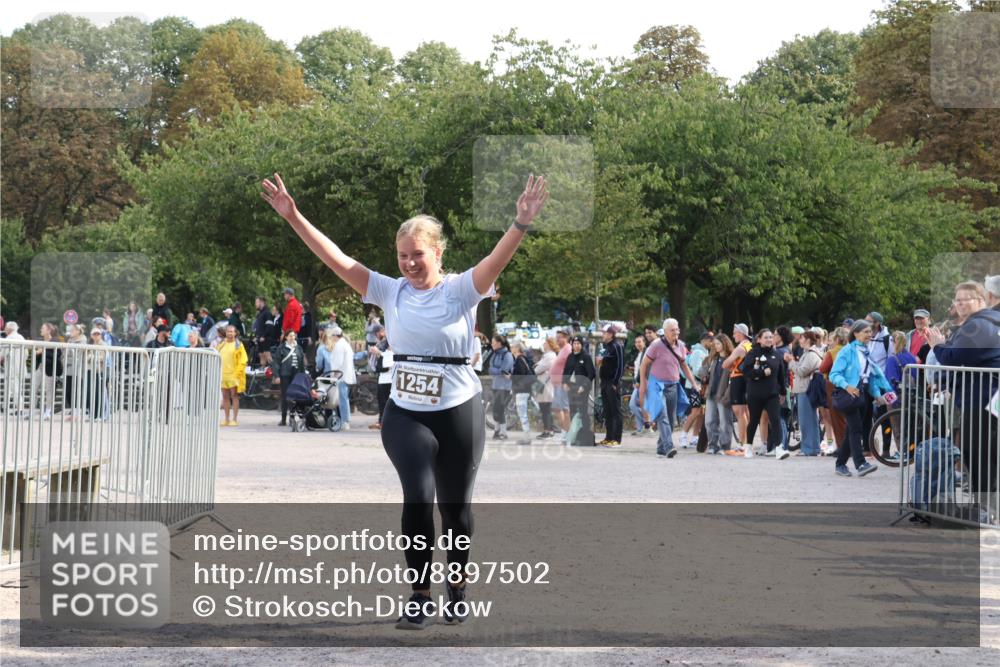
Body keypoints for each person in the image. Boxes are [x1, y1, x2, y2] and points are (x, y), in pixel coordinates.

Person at [262, 169, 547, 629]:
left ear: (437, 253)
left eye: (418, 254)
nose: (410, 264)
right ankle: (419, 595)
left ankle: (457, 584)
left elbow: (496, 260)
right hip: (407, 412)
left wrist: (521, 223)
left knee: (455, 510)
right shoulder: (389, 290)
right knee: (417, 497)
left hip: (458, 409)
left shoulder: (460, 290)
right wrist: (294, 216)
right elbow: (337, 259)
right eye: (402, 256)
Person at [925, 281, 1000, 495]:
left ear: (981, 300)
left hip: (980, 396)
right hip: (987, 395)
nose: (959, 304)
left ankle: (985, 504)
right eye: (957, 300)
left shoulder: (978, 325)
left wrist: (937, 346)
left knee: (976, 450)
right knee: (983, 449)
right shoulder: (990, 321)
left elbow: (956, 357)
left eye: (965, 299)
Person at [829, 320, 893, 478]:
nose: (869, 334)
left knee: (852, 430)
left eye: (870, 332)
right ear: (856, 333)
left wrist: (877, 395)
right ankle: (860, 464)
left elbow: (870, 378)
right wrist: (847, 386)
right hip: (849, 394)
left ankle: (840, 464)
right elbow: (834, 374)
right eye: (866, 332)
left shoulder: (866, 352)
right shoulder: (846, 351)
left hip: (862, 394)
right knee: (856, 429)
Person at [637, 318, 702, 458]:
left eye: (677, 329)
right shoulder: (656, 345)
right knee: (663, 416)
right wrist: (643, 383)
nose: (676, 332)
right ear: (665, 331)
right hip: (656, 385)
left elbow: (684, 365)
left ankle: (661, 448)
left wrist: (694, 383)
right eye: (672, 330)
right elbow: (644, 364)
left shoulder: (681, 346)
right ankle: (669, 447)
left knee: (671, 421)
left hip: (673, 385)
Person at [740, 329, 790, 460]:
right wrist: (761, 373)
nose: (769, 339)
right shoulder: (752, 353)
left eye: (771, 337)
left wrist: (783, 392)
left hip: (772, 394)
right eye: (766, 337)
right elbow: (746, 371)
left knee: (775, 419)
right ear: (759, 339)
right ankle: (748, 446)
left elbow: (781, 375)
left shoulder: (776, 355)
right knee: (754, 420)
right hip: (755, 394)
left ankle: (779, 448)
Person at [786, 330, 825, 456]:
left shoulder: (811, 354)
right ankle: (811, 447)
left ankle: (809, 448)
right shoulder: (808, 353)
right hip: (805, 389)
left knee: (807, 420)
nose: (799, 340)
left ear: (808, 340)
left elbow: (802, 371)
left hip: (806, 389)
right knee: (809, 420)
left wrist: (791, 362)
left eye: (802, 338)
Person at [701, 334, 735, 455]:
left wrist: (728, 394)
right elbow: (702, 372)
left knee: (725, 422)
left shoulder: (731, 359)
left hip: (724, 394)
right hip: (711, 393)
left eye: (718, 344)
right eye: (714, 344)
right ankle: (712, 445)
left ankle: (725, 446)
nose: (716, 346)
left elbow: (733, 378)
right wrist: (703, 372)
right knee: (709, 421)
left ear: (725, 344)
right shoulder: (712, 359)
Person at [819, 327, 850, 455]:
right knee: (848, 417)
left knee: (837, 417)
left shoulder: (832, 352)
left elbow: (822, 368)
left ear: (837, 339)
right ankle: (850, 445)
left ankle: (842, 446)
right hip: (850, 384)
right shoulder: (851, 350)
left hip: (834, 385)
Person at [723, 323, 754, 447]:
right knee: (746, 412)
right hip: (747, 379)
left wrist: (731, 360)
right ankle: (747, 442)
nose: (733, 335)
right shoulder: (750, 345)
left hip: (738, 378)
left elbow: (725, 364)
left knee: (739, 412)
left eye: (735, 333)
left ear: (741, 333)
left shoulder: (740, 348)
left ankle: (742, 443)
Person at [563, 334, 596, 447]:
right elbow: (566, 371)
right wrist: (565, 382)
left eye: (578, 344)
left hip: (582, 389)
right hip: (571, 388)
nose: (576, 346)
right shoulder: (570, 356)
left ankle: (585, 435)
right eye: (574, 344)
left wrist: (584, 386)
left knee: (582, 411)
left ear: (582, 345)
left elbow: (591, 373)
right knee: (572, 411)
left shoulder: (586, 357)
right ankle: (574, 435)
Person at [597, 324, 625, 447]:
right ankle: (609, 437)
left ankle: (617, 439)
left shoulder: (617, 345)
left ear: (610, 334)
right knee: (607, 410)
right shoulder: (606, 346)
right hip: (604, 382)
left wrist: (615, 382)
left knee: (615, 410)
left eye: (604, 333)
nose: (602, 335)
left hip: (612, 382)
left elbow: (620, 365)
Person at [272, 329, 306, 427]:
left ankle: (292, 417)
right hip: (285, 375)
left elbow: (301, 363)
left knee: (295, 396)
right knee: (285, 397)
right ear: (286, 337)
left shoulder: (298, 348)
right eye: (290, 336)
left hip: (296, 375)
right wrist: (277, 376)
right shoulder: (281, 348)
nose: (292, 337)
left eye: (293, 335)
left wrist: (303, 375)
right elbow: (276, 363)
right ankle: (283, 419)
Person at [215, 325, 247, 427]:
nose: (230, 333)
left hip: (234, 375)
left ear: (235, 333)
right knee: (225, 397)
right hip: (223, 374)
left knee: (234, 396)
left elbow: (243, 360)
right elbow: (216, 355)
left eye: (232, 331)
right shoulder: (222, 344)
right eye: (228, 331)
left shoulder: (238, 345)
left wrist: (237, 373)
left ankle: (234, 419)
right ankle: (226, 419)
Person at [31, 323, 63, 420]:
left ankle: (48, 411)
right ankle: (32, 411)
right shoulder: (41, 341)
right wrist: (37, 353)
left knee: (49, 390)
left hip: (50, 368)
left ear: (49, 330)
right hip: (40, 367)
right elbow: (37, 354)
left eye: (43, 328)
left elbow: (57, 355)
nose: (41, 329)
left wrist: (43, 351)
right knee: (33, 388)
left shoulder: (55, 341)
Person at [328, 326, 357, 430]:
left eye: (332, 336)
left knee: (343, 398)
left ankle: (345, 421)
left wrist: (334, 375)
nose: (332, 338)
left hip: (341, 376)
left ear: (336, 336)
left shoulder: (339, 345)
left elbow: (337, 362)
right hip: (346, 375)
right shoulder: (345, 344)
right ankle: (345, 420)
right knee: (344, 398)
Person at [488, 334, 514, 440]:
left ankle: (503, 432)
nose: (491, 344)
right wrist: (496, 370)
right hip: (495, 385)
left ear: (499, 343)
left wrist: (495, 370)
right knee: (496, 409)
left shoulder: (507, 355)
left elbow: (504, 370)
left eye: (493, 342)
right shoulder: (495, 354)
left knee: (500, 409)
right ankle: (497, 431)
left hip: (504, 387)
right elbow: (490, 369)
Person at [532, 336, 558, 439]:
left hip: (546, 385)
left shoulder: (550, 356)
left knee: (545, 408)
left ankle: (548, 431)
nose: (543, 344)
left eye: (545, 343)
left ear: (550, 344)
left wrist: (536, 367)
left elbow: (537, 369)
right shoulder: (547, 356)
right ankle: (548, 430)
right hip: (544, 384)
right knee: (545, 408)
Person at [550, 328, 573, 441]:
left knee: (563, 408)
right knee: (558, 408)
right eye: (557, 338)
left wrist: (567, 382)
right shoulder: (562, 349)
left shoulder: (568, 349)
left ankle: (566, 432)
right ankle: (564, 431)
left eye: (559, 338)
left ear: (566, 338)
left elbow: (570, 367)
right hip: (557, 383)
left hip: (562, 383)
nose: (557, 340)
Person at [0, 322, 27, 416]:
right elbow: (26, 354)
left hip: (12, 368)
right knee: (10, 388)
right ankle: (5, 407)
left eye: (6, 328)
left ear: (9, 329)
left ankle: (20, 408)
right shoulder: (21, 337)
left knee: (14, 389)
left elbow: (3, 354)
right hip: (20, 367)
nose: (5, 329)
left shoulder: (9, 338)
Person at [628, 333, 651, 436]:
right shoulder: (639, 353)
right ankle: (642, 427)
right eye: (636, 342)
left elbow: (644, 368)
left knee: (633, 404)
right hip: (638, 382)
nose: (637, 344)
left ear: (644, 342)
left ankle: (646, 425)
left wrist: (638, 381)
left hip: (642, 382)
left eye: (639, 342)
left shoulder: (646, 352)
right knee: (638, 404)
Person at [510, 342, 535, 439]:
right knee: (522, 412)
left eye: (512, 346)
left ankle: (526, 435)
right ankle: (526, 434)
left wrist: (510, 376)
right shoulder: (523, 358)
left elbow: (520, 374)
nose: (511, 348)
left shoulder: (519, 359)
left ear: (517, 348)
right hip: (525, 389)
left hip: (521, 389)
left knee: (522, 413)